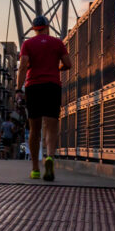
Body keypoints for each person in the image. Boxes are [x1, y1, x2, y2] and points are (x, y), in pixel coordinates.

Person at [16, 15, 72, 181]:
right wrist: (57, 68)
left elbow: (23, 65)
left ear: (34, 29)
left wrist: (19, 89)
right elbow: (68, 64)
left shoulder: (28, 44)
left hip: (34, 87)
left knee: (35, 129)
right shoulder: (57, 43)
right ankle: (50, 158)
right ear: (48, 26)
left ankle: (35, 169)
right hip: (52, 86)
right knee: (51, 126)